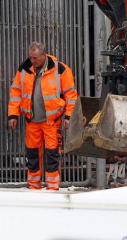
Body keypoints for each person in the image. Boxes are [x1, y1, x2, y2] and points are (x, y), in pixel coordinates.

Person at [7, 42, 78, 190]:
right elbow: (15, 92)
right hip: (31, 121)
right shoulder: (24, 69)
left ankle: (52, 187)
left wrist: (68, 117)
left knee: (52, 154)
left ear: (44, 55)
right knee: (32, 154)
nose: (32, 61)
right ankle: (33, 186)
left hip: (51, 122)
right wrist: (13, 114)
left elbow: (71, 95)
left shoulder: (60, 69)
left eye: (35, 58)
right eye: (30, 58)